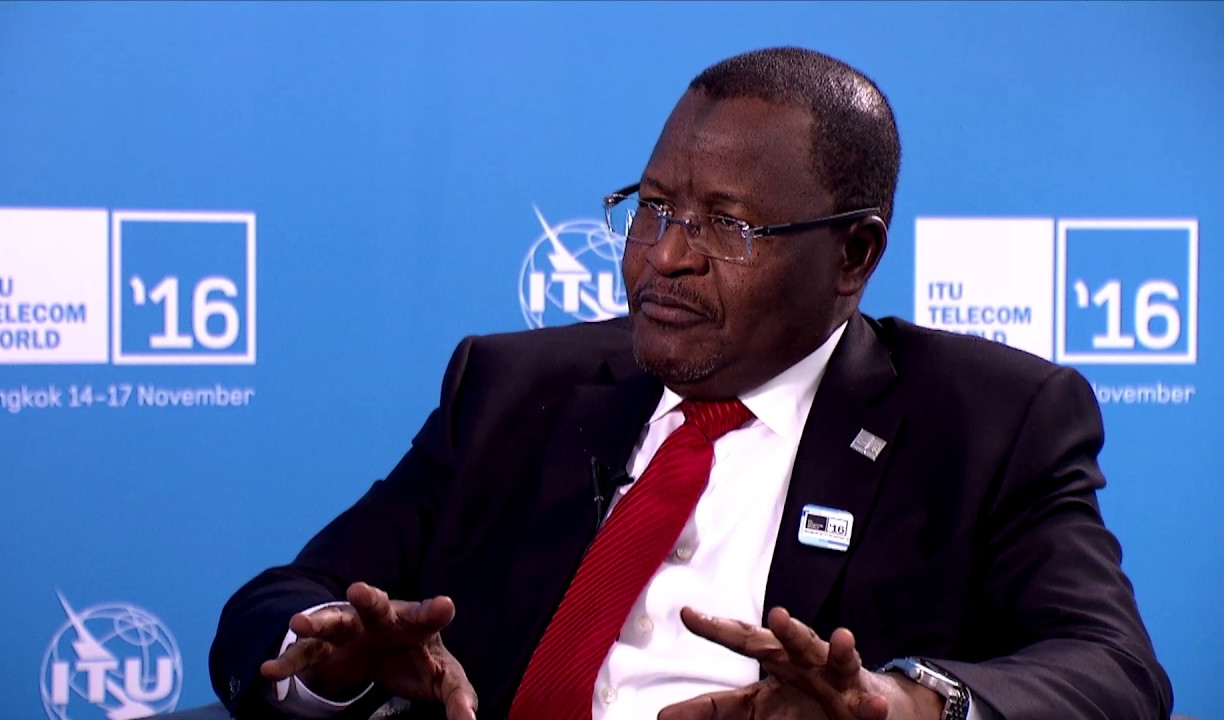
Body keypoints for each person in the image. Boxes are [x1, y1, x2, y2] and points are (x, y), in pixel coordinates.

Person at [209, 47, 1173, 720]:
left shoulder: (989, 423)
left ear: (853, 254)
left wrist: (909, 702)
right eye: (653, 207)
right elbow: (288, 599)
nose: (665, 257)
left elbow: (1113, 669)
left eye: (727, 226)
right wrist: (332, 663)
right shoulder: (510, 390)